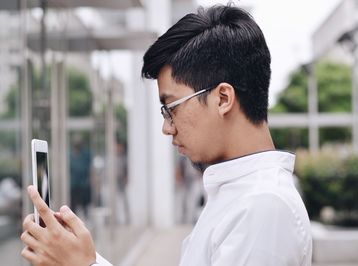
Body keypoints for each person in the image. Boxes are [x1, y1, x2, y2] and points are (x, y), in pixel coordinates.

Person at [20, 4, 312, 265]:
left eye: (170, 107)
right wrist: (84, 257)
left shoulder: (262, 208)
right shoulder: (241, 193)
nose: (166, 127)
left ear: (223, 98)